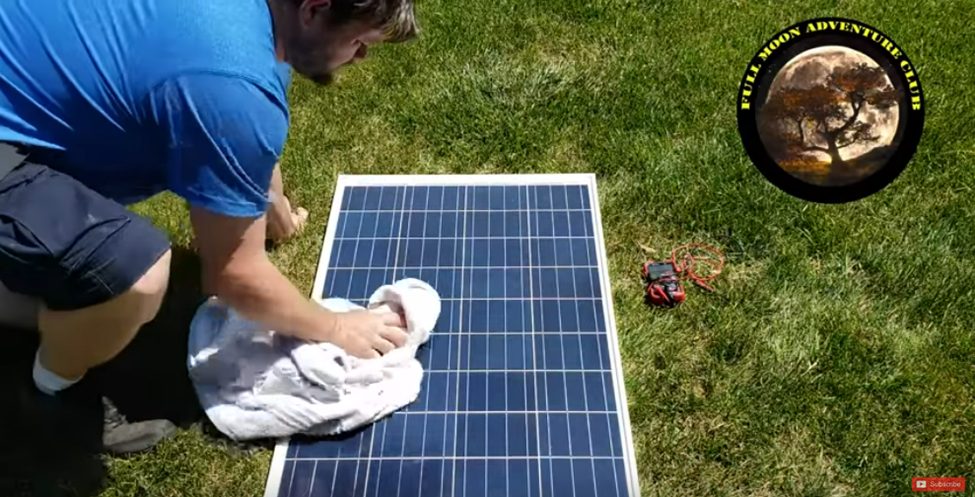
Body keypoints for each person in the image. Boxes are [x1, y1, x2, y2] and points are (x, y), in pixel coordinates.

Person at [0, 0, 417, 453]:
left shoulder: (256, 21)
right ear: (314, 10)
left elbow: (240, 114)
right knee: (136, 277)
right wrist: (337, 329)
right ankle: (48, 392)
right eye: (358, 40)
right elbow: (232, 276)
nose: (360, 57)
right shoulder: (232, 85)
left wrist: (268, 203)